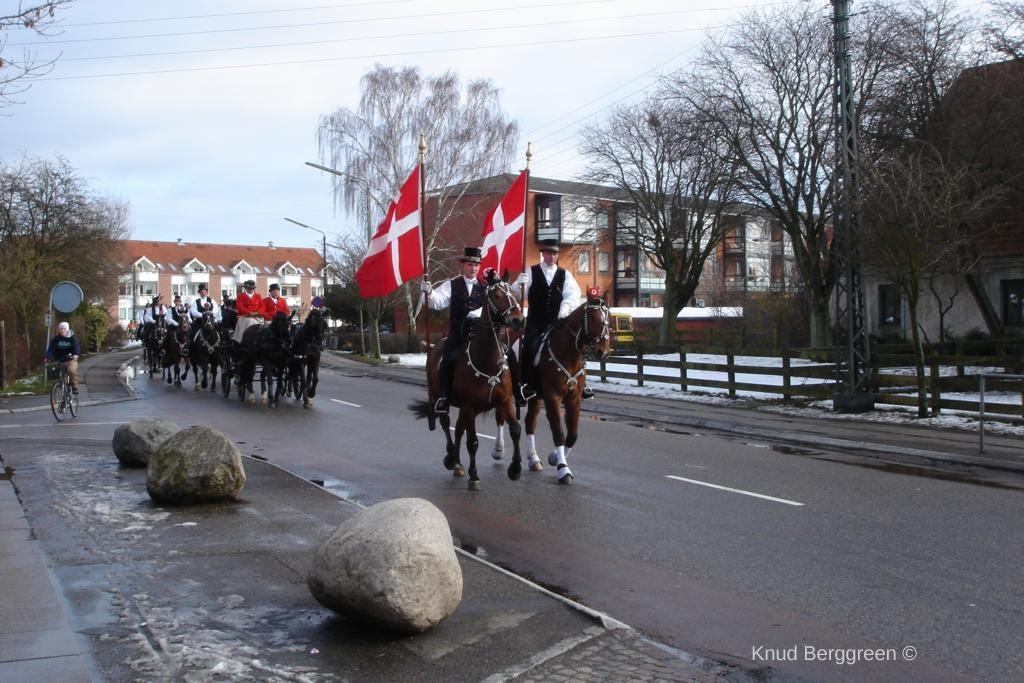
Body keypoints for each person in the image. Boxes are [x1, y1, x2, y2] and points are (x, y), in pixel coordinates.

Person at [515, 238, 593, 399]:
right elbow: (515, 292)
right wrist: (518, 284)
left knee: (576, 345)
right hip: (536, 321)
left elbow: (573, 295)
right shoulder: (531, 271)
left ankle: (581, 381)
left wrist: (564, 310)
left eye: (554, 253)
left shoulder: (565, 275)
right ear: (543, 254)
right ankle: (527, 383)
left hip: (558, 321)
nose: (551, 256)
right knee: (529, 344)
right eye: (548, 253)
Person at [421, 246, 486, 414]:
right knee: (447, 359)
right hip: (458, 334)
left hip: (481, 335)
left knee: (506, 355)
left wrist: (477, 313)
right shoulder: (452, 284)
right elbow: (438, 301)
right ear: (463, 265)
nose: (473, 268)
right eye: (470, 265)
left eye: (476, 265)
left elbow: (491, 308)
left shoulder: (485, 287)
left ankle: (513, 390)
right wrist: (429, 293)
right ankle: (443, 396)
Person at [44, 321, 81, 395]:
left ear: (67, 329)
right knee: (61, 378)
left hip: (71, 359)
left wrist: (76, 354)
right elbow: (51, 349)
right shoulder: (55, 340)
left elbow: (76, 347)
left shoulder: (72, 339)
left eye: (64, 329)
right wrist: (48, 357)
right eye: (61, 329)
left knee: (71, 371)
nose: (62, 330)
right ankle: (64, 397)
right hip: (60, 360)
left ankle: (75, 386)